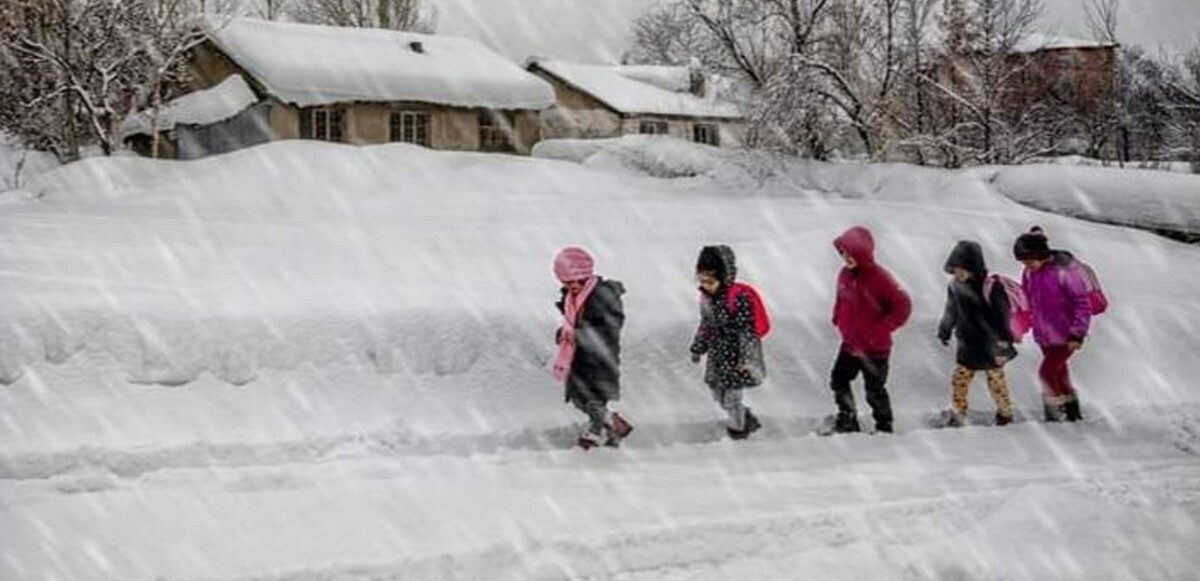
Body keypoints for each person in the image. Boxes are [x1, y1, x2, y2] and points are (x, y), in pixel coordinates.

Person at [829, 226, 912, 434]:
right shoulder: (844, 275)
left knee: (874, 390)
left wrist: (882, 328)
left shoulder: (880, 278)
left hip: (875, 349)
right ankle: (847, 417)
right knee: (838, 380)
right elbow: (841, 299)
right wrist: (837, 316)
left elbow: (903, 304)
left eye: (850, 253)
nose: (846, 257)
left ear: (862, 253)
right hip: (850, 345)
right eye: (843, 252)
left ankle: (884, 425)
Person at [552, 247, 632, 449]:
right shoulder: (571, 298)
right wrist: (563, 333)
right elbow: (573, 323)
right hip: (579, 356)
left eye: (575, 282)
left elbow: (608, 329)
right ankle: (606, 427)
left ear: (585, 276)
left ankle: (607, 426)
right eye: (566, 283)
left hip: (600, 357)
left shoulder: (602, 297)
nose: (572, 287)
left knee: (592, 397)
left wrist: (576, 335)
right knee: (579, 397)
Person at [1013, 228, 1092, 422]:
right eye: (1023, 261)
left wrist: (1077, 334)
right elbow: (1027, 300)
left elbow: (1083, 303)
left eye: (1029, 260)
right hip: (1044, 334)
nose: (1026, 265)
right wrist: (1022, 325)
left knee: (1046, 373)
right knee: (1059, 371)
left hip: (1066, 334)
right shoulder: (1029, 273)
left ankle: (1054, 416)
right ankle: (1072, 412)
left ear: (1041, 255)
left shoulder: (1065, 272)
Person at [937, 240, 1018, 427]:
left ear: (974, 267)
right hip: (967, 343)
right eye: (955, 270)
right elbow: (951, 310)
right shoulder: (955, 286)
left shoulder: (990, 287)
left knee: (996, 382)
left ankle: (1005, 414)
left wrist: (1003, 346)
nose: (958, 274)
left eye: (962, 269)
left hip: (991, 345)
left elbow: (1002, 319)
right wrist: (945, 329)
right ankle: (958, 413)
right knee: (960, 380)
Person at [690, 245, 766, 440]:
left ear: (724, 277)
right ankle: (745, 417)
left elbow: (747, 331)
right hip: (718, 356)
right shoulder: (706, 298)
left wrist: (746, 358)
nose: (705, 285)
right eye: (701, 280)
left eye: (710, 281)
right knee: (718, 395)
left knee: (732, 398)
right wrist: (698, 347)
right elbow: (706, 325)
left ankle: (739, 430)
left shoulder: (738, 298)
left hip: (737, 358)